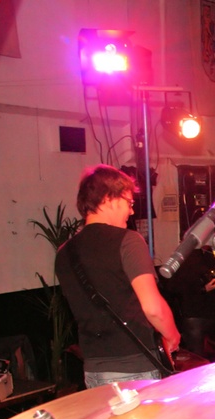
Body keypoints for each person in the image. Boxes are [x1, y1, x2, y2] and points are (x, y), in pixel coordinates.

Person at [55, 165, 180, 387]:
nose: (131, 212)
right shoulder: (128, 241)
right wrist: (172, 335)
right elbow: (152, 308)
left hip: (94, 370)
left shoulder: (64, 253)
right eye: (129, 203)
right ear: (109, 199)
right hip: (134, 370)